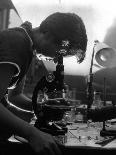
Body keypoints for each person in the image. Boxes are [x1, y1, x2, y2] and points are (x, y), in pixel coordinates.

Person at [0, 12, 87, 154]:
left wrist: (45, 107)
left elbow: (14, 96)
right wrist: (32, 133)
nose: (55, 60)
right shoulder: (17, 43)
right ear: (47, 34)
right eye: (59, 54)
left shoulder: (27, 45)